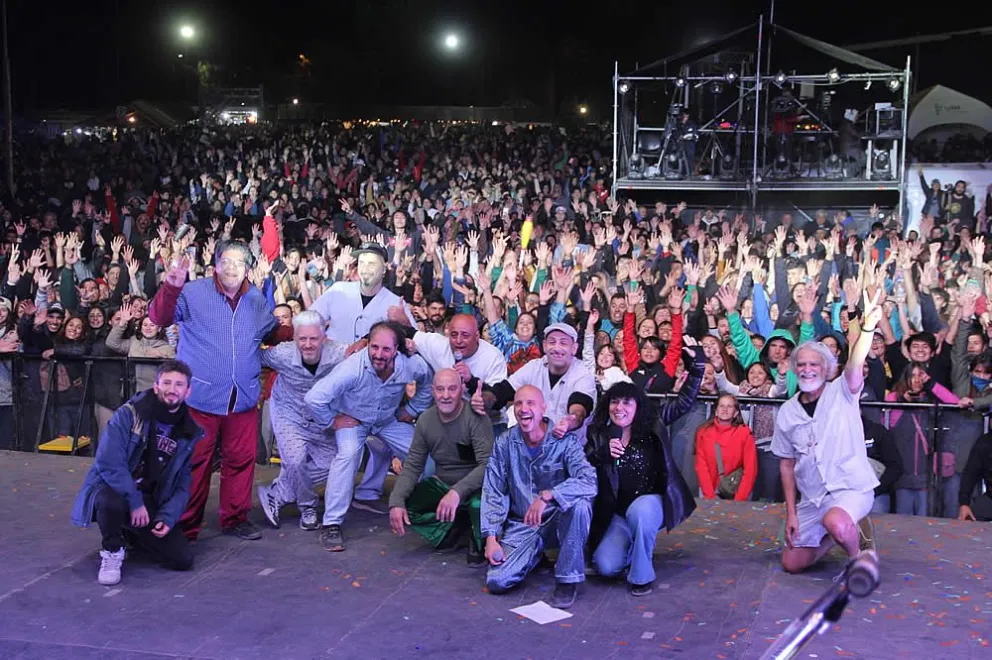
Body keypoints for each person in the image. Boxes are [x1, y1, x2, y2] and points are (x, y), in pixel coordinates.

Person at [148, 243, 291, 541]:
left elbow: (272, 332)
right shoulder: (192, 292)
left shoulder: (255, 300)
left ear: (248, 269)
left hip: (243, 399)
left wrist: (302, 331)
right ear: (215, 264)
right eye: (226, 261)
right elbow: (159, 318)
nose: (232, 267)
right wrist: (172, 286)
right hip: (200, 398)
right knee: (193, 464)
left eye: (239, 262)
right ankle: (185, 524)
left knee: (240, 462)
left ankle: (235, 518)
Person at [771, 290, 883, 574]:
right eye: (802, 365)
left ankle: (858, 554)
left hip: (850, 489)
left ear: (828, 368)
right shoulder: (787, 412)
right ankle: (839, 533)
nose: (808, 370)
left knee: (836, 521)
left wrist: (867, 326)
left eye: (814, 364)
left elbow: (856, 361)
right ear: (795, 369)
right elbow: (786, 464)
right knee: (791, 563)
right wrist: (791, 514)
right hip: (814, 499)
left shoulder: (843, 391)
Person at [71, 360, 203, 585]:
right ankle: (112, 550)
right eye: (167, 382)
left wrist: (167, 517)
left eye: (179, 384)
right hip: (118, 490)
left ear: (188, 391)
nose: (172, 389)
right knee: (111, 501)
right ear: (156, 386)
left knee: (182, 560)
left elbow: (183, 483)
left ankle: (131, 532)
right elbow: (109, 463)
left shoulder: (189, 431)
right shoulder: (130, 414)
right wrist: (134, 502)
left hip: (149, 497)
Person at [304, 321, 433, 552]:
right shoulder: (353, 367)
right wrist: (332, 420)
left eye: (385, 349)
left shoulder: (410, 365)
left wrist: (412, 410)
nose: (379, 354)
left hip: (387, 420)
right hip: (354, 420)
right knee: (348, 454)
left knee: (424, 451)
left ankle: (422, 506)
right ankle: (331, 523)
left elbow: (428, 381)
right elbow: (314, 398)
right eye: (374, 347)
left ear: (397, 350)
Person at [585, 350, 703, 596]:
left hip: (650, 505)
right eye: (615, 402)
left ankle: (641, 576)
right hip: (616, 514)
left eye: (627, 402)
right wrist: (601, 456)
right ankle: (634, 544)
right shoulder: (598, 435)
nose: (619, 408)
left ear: (638, 407)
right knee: (606, 567)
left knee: (641, 512)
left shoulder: (654, 425)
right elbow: (584, 468)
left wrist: (697, 367)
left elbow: (684, 402)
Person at [309, 241, 416, 512]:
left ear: (385, 268)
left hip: (374, 388)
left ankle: (367, 491)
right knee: (332, 451)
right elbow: (311, 321)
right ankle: (298, 494)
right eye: (362, 262)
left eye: (372, 262)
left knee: (379, 443)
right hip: (334, 381)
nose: (365, 267)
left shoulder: (395, 302)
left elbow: (415, 345)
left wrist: (403, 323)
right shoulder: (338, 291)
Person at [480, 385, 596, 610]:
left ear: (544, 408)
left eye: (530, 403)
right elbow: (493, 489)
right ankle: (533, 554)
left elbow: (589, 481)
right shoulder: (504, 443)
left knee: (580, 506)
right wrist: (491, 537)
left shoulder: (564, 441)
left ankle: (567, 579)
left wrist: (548, 496)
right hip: (523, 524)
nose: (524, 409)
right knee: (497, 581)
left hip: (557, 520)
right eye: (519, 404)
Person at [388, 369, 494, 565]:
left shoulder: (476, 417)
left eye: (452, 389)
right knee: (408, 507)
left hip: (478, 489)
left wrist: (457, 492)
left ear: (462, 389)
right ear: (432, 391)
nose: (446, 395)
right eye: (440, 389)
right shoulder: (426, 420)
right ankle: (457, 525)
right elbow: (412, 465)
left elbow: (487, 465)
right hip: (445, 486)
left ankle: (476, 535)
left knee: (478, 506)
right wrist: (396, 501)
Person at [256, 310, 347, 531]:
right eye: (302, 338)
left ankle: (278, 493)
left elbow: (364, 354)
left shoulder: (339, 353)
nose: (307, 344)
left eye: (313, 338)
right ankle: (308, 506)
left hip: (319, 417)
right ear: (294, 337)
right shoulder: (282, 354)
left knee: (336, 462)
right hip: (288, 412)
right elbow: (253, 357)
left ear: (324, 337)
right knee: (295, 461)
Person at [477, 323, 596, 443]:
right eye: (552, 342)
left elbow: (580, 405)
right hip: (534, 446)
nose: (557, 348)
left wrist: (570, 421)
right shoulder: (534, 367)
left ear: (574, 348)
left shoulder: (583, 373)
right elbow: (504, 390)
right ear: (544, 346)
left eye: (563, 343)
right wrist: (484, 399)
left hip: (569, 448)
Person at [694, 394, 759, 501]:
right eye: (721, 406)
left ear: (736, 413)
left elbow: (751, 469)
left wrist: (739, 499)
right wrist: (710, 496)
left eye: (729, 406)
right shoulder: (703, 433)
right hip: (709, 492)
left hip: (736, 492)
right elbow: (701, 467)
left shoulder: (744, 433)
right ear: (716, 411)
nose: (725, 409)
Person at [958, 431, 992, 522]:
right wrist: (964, 503)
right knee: (968, 520)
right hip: (990, 499)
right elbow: (971, 473)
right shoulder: (984, 442)